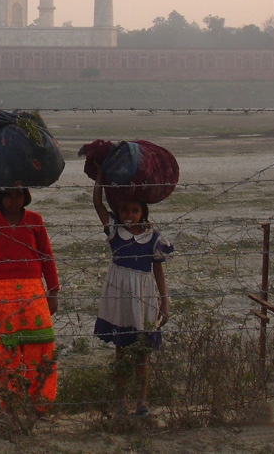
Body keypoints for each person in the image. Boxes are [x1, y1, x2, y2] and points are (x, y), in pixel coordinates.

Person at [91, 170, 173, 416]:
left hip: (144, 295)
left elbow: (158, 270)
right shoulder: (114, 229)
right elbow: (97, 203)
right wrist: (100, 177)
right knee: (121, 349)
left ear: (143, 212)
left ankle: (142, 402)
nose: (129, 215)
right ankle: (120, 402)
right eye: (125, 210)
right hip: (119, 294)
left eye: (135, 210)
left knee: (142, 352)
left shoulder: (153, 237)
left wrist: (164, 302)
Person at [0, 185, 59, 417]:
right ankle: (11, 406)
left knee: (40, 348)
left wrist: (53, 292)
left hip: (34, 293)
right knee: (7, 352)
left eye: (18, 194)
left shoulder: (35, 220)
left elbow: (47, 257)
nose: (14, 200)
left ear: (26, 195)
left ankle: (40, 405)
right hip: (3, 296)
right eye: (8, 195)